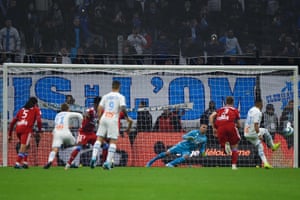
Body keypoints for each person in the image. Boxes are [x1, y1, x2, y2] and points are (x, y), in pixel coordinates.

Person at [90, 80, 130, 170]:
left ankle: (93, 157)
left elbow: (100, 108)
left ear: (112, 86)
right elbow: (123, 108)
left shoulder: (105, 96)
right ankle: (108, 162)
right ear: (119, 87)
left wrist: (100, 118)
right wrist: (127, 118)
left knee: (99, 139)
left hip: (104, 118)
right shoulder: (120, 96)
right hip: (113, 119)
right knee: (113, 141)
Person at [64, 96, 102, 170]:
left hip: (91, 133)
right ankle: (68, 163)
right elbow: (86, 113)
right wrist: (85, 115)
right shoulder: (91, 110)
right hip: (83, 133)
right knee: (79, 147)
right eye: (99, 104)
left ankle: (100, 162)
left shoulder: (100, 112)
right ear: (95, 104)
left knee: (103, 145)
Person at [244, 99, 281, 169]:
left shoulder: (251, 110)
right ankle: (273, 146)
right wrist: (259, 135)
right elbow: (256, 125)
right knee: (266, 131)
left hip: (246, 133)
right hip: (253, 132)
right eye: (262, 104)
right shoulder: (258, 112)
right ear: (260, 104)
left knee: (260, 147)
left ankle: (266, 163)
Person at [43, 103, 83, 169]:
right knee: (77, 145)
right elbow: (79, 115)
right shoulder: (68, 113)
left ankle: (50, 161)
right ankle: (72, 163)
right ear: (68, 109)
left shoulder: (57, 115)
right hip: (66, 133)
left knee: (55, 149)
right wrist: (81, 125)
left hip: (57, 133)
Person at [8, 97, 43, 169]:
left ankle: (25, 162)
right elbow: (39, 121)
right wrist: (40, 131)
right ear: (35, 103)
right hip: (26, 129)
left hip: (18, 128)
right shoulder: (36, 109)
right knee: (23, 146)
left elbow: (12, 123)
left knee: (27, 145)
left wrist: (10, 134)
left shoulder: (21, 110)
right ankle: (17, 163)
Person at [209, 96, 241, 170]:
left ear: (225, 102)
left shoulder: (220, 109)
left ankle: (225, 146)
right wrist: (237, 126)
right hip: (230, 126)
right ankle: (233, 166)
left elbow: (211, 116)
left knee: (225, 150)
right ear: (233, 102)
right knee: (235, 146)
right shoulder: (235, 110)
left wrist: (213, 128)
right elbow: (239, 124)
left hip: (220, 128)